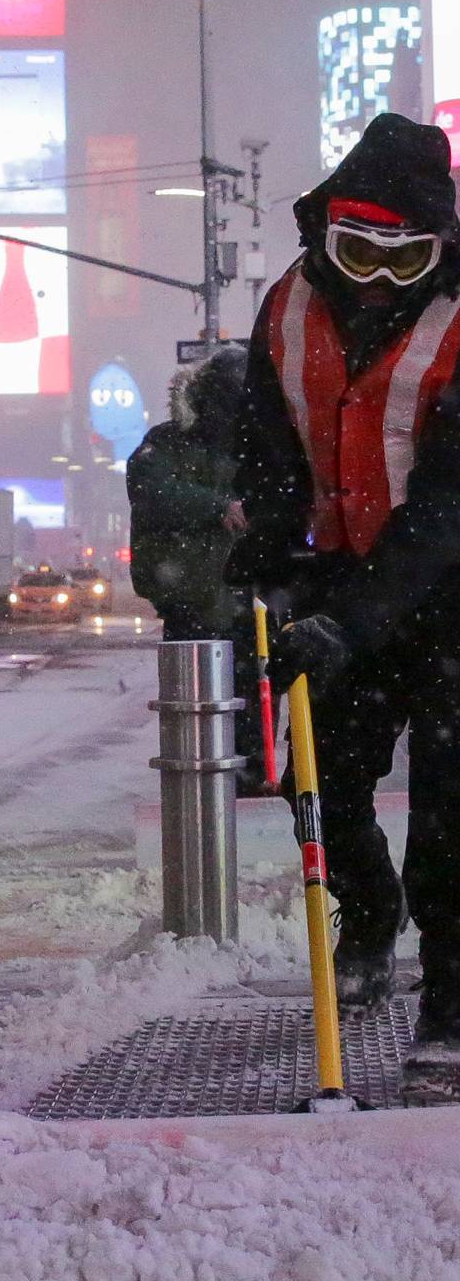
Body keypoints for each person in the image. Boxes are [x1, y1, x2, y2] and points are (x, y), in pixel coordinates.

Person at [233, 113, 460, 1090]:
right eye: (355, 249)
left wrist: (351, 617)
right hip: (337, 585)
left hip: (446, 595)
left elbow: (448, 508)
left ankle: (450, 1007)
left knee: (454, 817)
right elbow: (267, 447)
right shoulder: (286, 306)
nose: (372, 278)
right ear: (327, 230)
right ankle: (367, 922)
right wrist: (273, 563)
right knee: (320, 781)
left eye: (399, 260)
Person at [126, 343, 269, 784]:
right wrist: (217, 506)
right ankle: (215, 793)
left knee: (247, 710)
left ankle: (247, 784)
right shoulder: (167, 443)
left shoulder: (258, 445)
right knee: (202, 720)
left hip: (248, 606)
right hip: (198, 606)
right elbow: (150, 490)